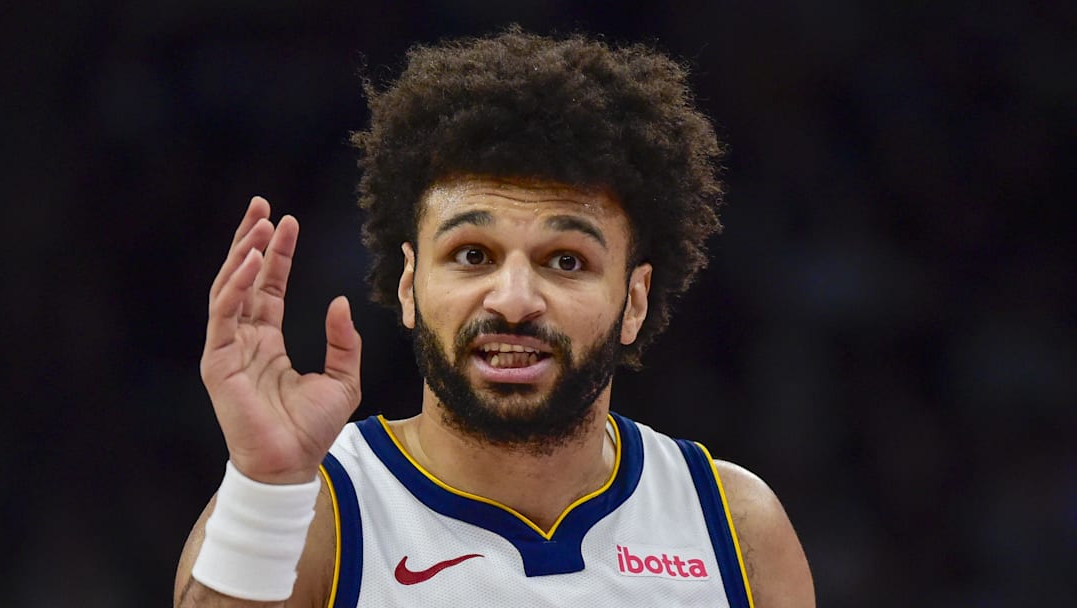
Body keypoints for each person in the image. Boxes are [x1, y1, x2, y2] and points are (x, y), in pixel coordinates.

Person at [174, 28, 814, 608]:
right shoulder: (313, 510)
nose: (512, 300)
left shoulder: (734, 528)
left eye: (566, 261)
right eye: (472, 255)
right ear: (409, 285)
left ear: (635, 301)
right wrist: (264, 489)